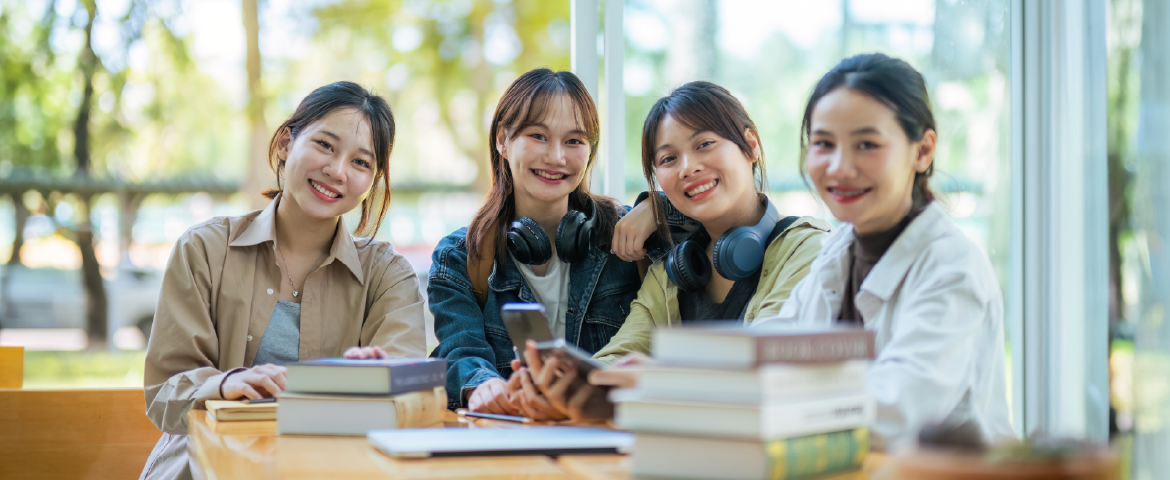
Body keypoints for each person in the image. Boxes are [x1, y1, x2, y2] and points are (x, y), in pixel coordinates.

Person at [140, 82, 425, 480]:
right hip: (202, 467)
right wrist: (228, 383)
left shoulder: (388, 274)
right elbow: (164, 391)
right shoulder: (205, 249)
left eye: (361, 163)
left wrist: (382, 380)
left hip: (335, 469)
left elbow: (415, 392)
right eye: (325, 145)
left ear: (373, 182)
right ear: (285, 144)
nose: (337, 171)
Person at [510, 81, 830, 420]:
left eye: (705, 144)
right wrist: (562, 387)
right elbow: (619, 356)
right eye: (668, 158)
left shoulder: (808, 247)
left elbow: (767, 360)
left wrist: (658, 379)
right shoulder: (672, 271)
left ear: (750, 146)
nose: (687, 168)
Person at [756, 53, 1015, 451]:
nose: (840, 167)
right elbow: (766, 349)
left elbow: (896, 412)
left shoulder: (952, 268)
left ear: (923, 150)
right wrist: (673, 373)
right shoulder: (836, 252)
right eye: (823, 144)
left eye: (867, 144)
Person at [427, 68, 692, 416]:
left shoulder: (625, 233)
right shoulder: (460, 256)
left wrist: (657, 207)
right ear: (502, 140)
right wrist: (483, 385)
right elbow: (460, 349)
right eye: (538, 135)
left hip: (606, 437)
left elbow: (719, 217)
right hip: (511, 437)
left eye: (574, 141)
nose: (556, 157)